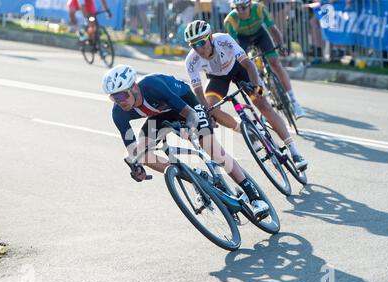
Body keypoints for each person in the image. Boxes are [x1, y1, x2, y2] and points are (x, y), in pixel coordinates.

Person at [102, 64, 271, 218]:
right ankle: (195, 177)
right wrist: (136, 167)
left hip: (187, 105)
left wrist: (188, 129)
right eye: (115, 98)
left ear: (135, 87)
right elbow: (133, 151)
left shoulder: (153, 86)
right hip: (160, 116)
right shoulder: (118, 113)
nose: (120, 101)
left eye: (123, 95)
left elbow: (190, 114)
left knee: (212, 149)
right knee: (143, 156)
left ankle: (253, 196)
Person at [184, 20, 308, 171]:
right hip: (217, 79)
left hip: (239, 68)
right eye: (193, 45)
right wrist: (206, 111)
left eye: (201, 43)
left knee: (263, 104)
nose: (199, 48)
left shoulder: (223, 40)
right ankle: (246, 131)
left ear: (210, 37)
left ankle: (294, 152)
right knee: (211, 109)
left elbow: (248, 64)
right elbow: (197, 90)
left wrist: (256, 87)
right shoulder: (191, 60)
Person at [224, 0, 306, 118]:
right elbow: (234, 44)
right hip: (243, 39)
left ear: (250, 5)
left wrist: (280, 45)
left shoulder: (259, 9)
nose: (240, 11)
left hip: (260, 35)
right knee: (247, 67)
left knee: (275, 64)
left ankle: (294, 101)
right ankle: (264, 95)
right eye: (237, 8)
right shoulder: (230, 20)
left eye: (243, 7)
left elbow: (273, 29)